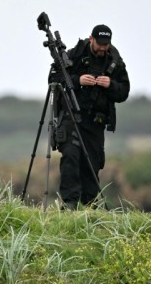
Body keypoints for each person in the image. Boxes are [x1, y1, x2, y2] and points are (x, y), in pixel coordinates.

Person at [52, 24, 130, 209]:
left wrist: (110, 84)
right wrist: (77, 81)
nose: (103, 48)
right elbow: (53, 79)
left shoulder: (115, 62)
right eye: (100, 43)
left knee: (92, 163)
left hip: (96, 122)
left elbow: (124, 92)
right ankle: (69, 204)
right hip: (72, 116)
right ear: (91, 39)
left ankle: (90, 206)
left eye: (106, 44)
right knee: (70, 156)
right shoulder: (73, 56)